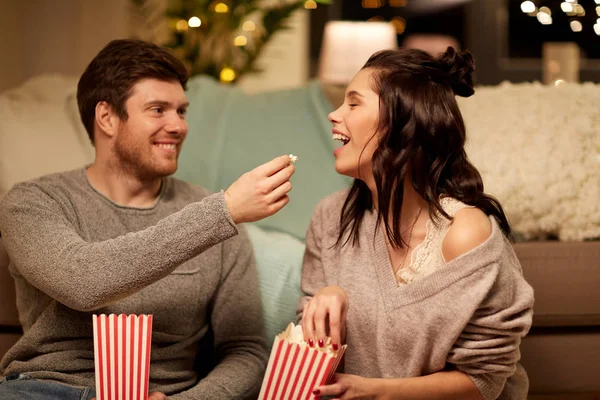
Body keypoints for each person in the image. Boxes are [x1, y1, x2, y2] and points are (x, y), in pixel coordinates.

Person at [0, 39, 295, 400]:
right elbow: (83, 282)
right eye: (158, 110)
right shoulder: (32, 201)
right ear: (106, 117)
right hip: (48, 389)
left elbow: (245, 351)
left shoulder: (214, 212)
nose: (178, 126)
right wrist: (223, 212)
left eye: (182, 111)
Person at [298, 47, 534, 400]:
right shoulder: (330, 219)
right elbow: (311, 352)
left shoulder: (464, 233)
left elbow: (485, 380)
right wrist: (326, 299)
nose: (334, 115)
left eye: (353, 103)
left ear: (401, 122)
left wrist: (377, 392)